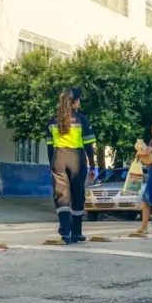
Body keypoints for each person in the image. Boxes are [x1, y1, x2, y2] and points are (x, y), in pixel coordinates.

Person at [45, 88, 97, 244]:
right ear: (75, 102)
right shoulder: (82, 120)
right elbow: (88, 146)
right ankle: (76, 233)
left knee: (61, 196)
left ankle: (65, 232)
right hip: (77, 158)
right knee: (77, 195)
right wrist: (93, 166)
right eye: (79, 100)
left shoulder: (52, 122)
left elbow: (49, 147)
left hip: (58, 158)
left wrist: (52, 165)